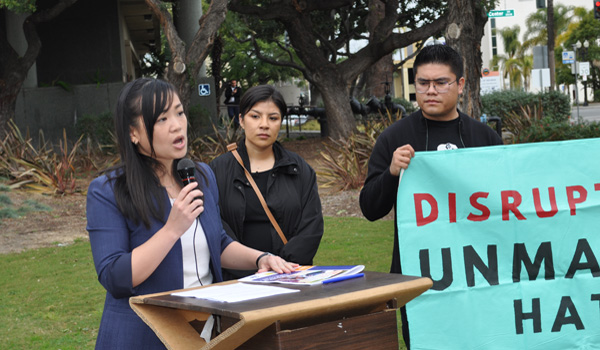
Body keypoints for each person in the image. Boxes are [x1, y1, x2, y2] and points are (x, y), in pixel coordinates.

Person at [86, 78, 296, 349]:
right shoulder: (108, 190)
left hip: (207, 332)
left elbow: (216, 242)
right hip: (144, 336)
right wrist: (173, 229)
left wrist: (261, 259)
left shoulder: (200, 175)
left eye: (179, 112)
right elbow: (115, 276)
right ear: (133, 133)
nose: (177, 125)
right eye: (161, 119)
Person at [359, 44, 503, 348]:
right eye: (423, 83)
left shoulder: (484, 138)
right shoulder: (395, 137)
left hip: (480, 271)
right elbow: (370, 207)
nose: (431, 91)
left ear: (461, 84)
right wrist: (392, 174)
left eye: (441, 82)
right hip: (419, 276)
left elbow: (506, 205)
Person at [210, 85, 324, 280]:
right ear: (241, 120)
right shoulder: (218, 170)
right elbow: (216, 228)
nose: (264, 124)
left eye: (273, 118)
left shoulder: (298, 168)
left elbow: (312, 225)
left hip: (290, 277)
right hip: (236, 282)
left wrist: (282, 267)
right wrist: (252, 267)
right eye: (255, 116)